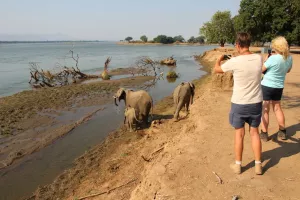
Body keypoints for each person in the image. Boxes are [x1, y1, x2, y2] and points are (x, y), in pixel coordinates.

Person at [214, 33, 263, 175]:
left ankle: (238, 165)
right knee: (255, 133)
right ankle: (258, 165)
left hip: (239, 103)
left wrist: (219, 59)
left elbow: (218, 69)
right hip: (256, 103)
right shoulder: (259, 58)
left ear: (237, 45)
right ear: (249, 43)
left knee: (239, 134)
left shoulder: (234, 62)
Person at [260, 36, 293, 142]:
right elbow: (288, 70)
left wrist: (266, 60)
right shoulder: (289, 58)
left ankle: (264, 133)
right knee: (277, 108)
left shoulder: (273, 58)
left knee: (265, 108)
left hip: (267, 86)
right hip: (279, 86)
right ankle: (282, 132)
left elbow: (262, 70)